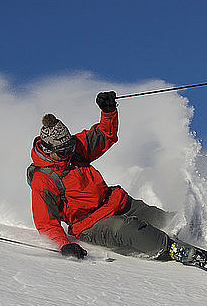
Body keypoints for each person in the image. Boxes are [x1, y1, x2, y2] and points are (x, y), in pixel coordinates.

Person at [27, 91, 178, 260]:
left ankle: (198, 235)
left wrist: (108, 111)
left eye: (70, 147)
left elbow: (106, 135)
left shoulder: (75, 149)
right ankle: (173, 250)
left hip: (115, 202)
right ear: (49, 150)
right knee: (129, 228)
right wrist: (64, 245)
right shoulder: (43, 180)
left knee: (162, 219)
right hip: (90, 224)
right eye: (63, 151)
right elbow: (46, 224)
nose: (69, 153)